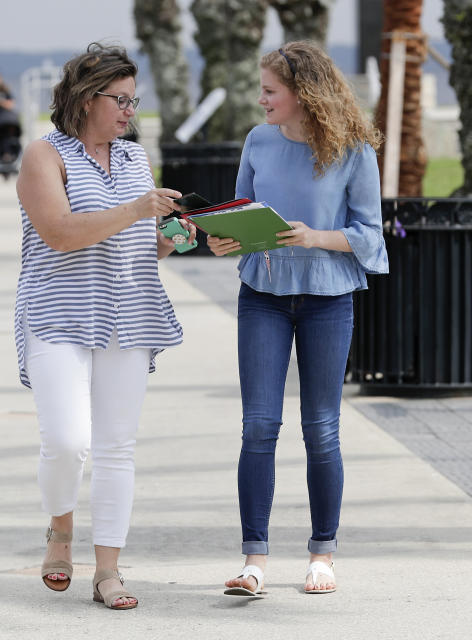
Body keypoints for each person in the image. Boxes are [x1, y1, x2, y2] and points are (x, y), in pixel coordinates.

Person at [14, 42, 195, 610]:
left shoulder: (136, 159)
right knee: (67, 442)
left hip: (129, 314)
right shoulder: (44, 156)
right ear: (87, 99)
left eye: (133, 101)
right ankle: (60, 531)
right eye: (120, 100)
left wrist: (179, 239)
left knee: (117, 448)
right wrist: (138, 211)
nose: (129, 112)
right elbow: (61, 233)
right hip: (57, 315)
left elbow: (143, 245)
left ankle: (108, 570)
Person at [208, 41, 388, 597]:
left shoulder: (353, 149)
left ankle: (322, 554)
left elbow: (372, 236)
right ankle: (253, 560)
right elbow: (241, 211)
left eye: (269, 90)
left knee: (321, 428)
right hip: (261, 293)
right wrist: (222, 238)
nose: (260, 99)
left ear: (302, 94)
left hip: (328, 299)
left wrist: (316, 237)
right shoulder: (258, 141)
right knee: (259, 425)